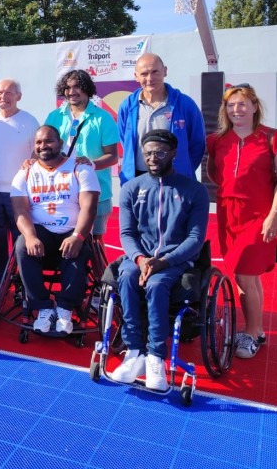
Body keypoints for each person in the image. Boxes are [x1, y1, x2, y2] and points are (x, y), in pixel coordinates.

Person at [111, 130, 209, 391]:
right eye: (148, 153)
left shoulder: (195, 191)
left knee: (156, 284)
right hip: (139, 257)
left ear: (174, 153)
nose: (153, 158)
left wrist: (164, 262)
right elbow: (127, 233)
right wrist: (140, 259)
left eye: (160, 153)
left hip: (176, 260)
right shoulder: (131, 188)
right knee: (127, 276)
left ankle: (155, 356)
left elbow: (195, 238)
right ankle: (134, 352)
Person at [206, 84, 277, 360]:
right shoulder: (216, 140)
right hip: (228, 215)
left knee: (243, 274)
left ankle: (250, 334)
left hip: (259, 215)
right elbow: (214, 174)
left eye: (242, 104)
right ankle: (259, 330)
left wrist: (273, 215)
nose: (236, 110)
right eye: (230, 105)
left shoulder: (273, 138)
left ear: (254, 106)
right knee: (248, 275)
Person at [11, 125, 99, 335]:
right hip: (41, 233)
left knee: (78, 249)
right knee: (22, 245)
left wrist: (78, 236)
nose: (43, 146)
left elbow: (89, 207)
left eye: (49, 141)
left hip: (72, 231)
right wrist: (30, 236)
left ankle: (65, 309)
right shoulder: (25, 172)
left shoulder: (80, 169)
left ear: (60, 143)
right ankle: (43, 307)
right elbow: (20, 210)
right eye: (39, 142)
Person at [44, 70, 119, 244]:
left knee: (95, 241)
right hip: (61, 192)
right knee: (63, 240)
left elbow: (113, 156)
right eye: (67, 88)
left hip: (96, 192)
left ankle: (98, 264)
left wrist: (91, 164)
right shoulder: (54, 116)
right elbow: (43, 148)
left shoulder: (103, 118)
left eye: (77, 87)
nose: (71, 92)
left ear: (87, 88)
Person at [117, 53, 205, 184]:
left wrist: (183, 169)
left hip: (175, 180)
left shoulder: (185, 104)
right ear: (136, 76)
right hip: (137, 179)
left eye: (155, 72)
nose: (150, 78)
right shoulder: (127, 106)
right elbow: (125, 141)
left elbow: (197, 144)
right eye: (144, 74)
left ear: (165, 71)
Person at [0, 79, 38, 293]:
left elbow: (36, 154)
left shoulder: (30, 121)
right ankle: (0, 281)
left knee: (20, 239)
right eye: (0, 92)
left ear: (19, 96)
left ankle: (22, 284)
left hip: (20, 193)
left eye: (8, 92)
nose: (3, 96)